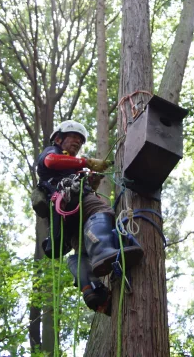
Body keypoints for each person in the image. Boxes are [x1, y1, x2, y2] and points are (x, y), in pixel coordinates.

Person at [31, 120, 143, 315]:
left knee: (81, 248)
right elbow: (50, 162)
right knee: (102, 211)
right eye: (73, 137)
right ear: (59, 139)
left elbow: (73, 176)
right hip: (69, 202)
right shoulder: (52, 152)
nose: (77, 142)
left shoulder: (71, 168)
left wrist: (90, 179)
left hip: (66, 217)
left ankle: (92, 290)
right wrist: (87, 162)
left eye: (80, 140)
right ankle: (103, 251)